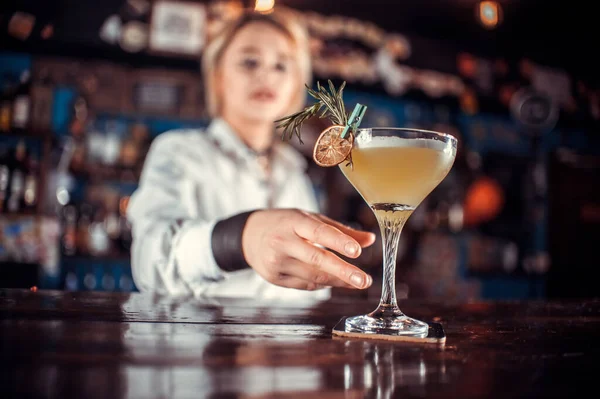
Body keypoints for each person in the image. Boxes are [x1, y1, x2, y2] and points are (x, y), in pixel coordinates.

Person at [126, 9, 375, 301]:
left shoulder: (292, 172)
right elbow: (149, 263)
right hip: (205, 342)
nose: (266, 75)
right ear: (218, 76)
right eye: (249, 61)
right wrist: (240, 238)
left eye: (282, 66)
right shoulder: (179, 152)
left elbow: (309, 293)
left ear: (295, 85)